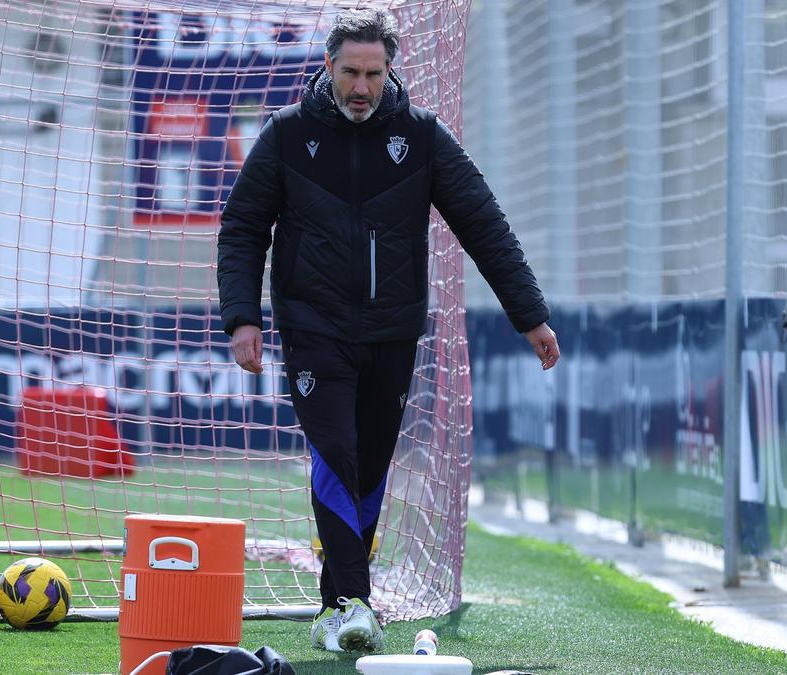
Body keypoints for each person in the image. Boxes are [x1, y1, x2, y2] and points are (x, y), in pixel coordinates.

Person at [217, 8, 559, 653]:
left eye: (374, 74)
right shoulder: (287, 134)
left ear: (390, 70)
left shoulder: (421, 136)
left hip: (392, 332)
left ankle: (338, 606)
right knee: (335, 453)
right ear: (328, 66)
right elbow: (242, 228)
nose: (362, 87)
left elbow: (482, 223)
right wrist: (242, 317)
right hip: (314, 329)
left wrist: (530, 315)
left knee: (371, 466)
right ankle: (354, 602)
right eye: (351, 72)